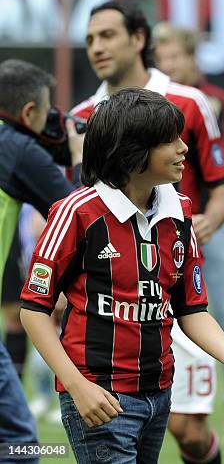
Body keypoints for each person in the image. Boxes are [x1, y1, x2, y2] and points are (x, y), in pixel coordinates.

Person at [20, 88, 224, 464]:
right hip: (100, 397)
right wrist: (76, 387)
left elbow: (191, 310)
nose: (183, 148)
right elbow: (33, 310)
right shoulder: (76, 213)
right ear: (131, 152)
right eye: (169, 140)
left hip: (159, 394)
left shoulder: (179, 210)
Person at [70, 1, 224, 462]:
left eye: (108, 35)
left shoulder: (188, 102)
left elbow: (221, 190)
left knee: (189, 430)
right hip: (108, 293)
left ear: (139, 39)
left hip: (174, 281)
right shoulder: (82, 116)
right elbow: (70, 201)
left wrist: (205, 223)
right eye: (89, 40)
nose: (97, 48)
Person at [153, 22, 224, 432]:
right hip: (157, 227)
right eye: (161, 58)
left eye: (174, 57)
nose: (168, 65)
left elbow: (218, 160)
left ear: (191, 58)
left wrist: (212, 217)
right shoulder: (148, 101)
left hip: (208, 223)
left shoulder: (211, 101)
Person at [0, 59, 83, 463]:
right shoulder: (15, 147)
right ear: (29, 112)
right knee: (19, 446)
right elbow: (80, 211)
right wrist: (79, 156)